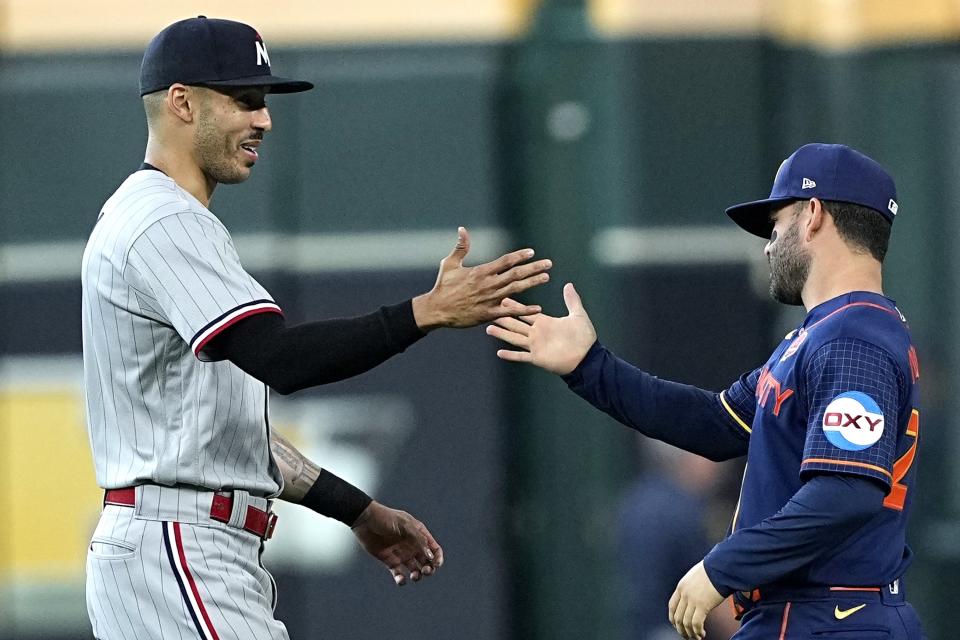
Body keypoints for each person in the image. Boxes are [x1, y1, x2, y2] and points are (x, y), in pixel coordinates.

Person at [81, 16, 552, 640]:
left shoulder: (158, 219)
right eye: (244, 100)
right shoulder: (162, 220)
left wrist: (356, 510)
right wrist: (426, 313)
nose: (264, 119)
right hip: (176, 546)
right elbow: (282, 359)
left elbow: (226, 436)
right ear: (182, 102)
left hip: (181, 545)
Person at [488, 143, 925, 640]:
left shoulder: (852, 336)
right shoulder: (825, 334)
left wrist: (721, 567)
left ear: (813, 216)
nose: (767, 244)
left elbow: (847, 491)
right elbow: (715, 423)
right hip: (808, 615)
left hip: (835, 617)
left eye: (776, 223)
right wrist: (590, 367)